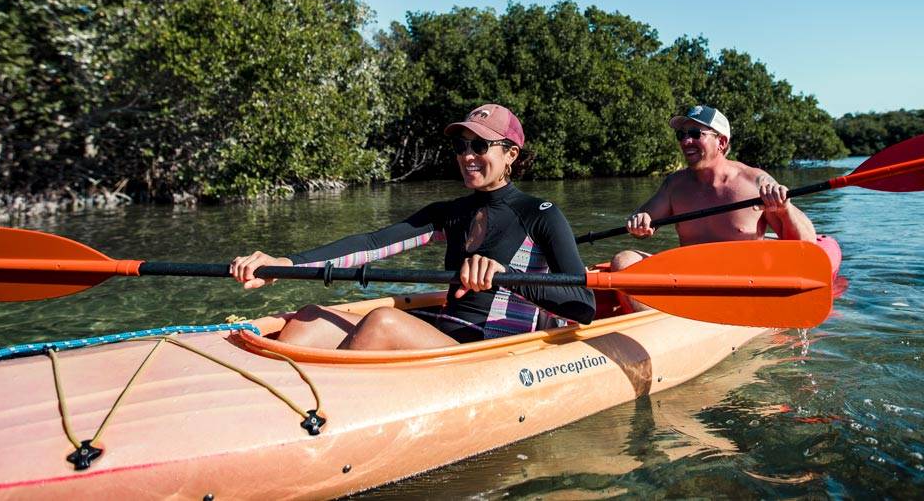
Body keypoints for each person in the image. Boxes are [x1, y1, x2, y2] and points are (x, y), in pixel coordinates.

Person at [231, 104, 596, 350]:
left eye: (480, 145)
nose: (467, 155)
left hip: (490, 345)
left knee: (383, 323)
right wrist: (287, 264)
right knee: (310, 317)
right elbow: (372, 244)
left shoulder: (541, 214)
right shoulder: (449, 212)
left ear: (510, 154)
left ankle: (322, 418)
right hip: (444, 326)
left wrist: (509, 275)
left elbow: (584, 306)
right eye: (461, 145)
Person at [612, 104, 816, 308]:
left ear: (721, 141)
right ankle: (655, 320)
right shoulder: (675, 184)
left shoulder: (755, 181)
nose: (685, 141)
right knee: (624, 261)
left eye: (695, 133)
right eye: (681, 135)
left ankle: (663, 321)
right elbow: (644, 216)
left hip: (741, 287)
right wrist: (640, 221)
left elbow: (807, 247)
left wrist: (784, 209)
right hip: (689, 280)